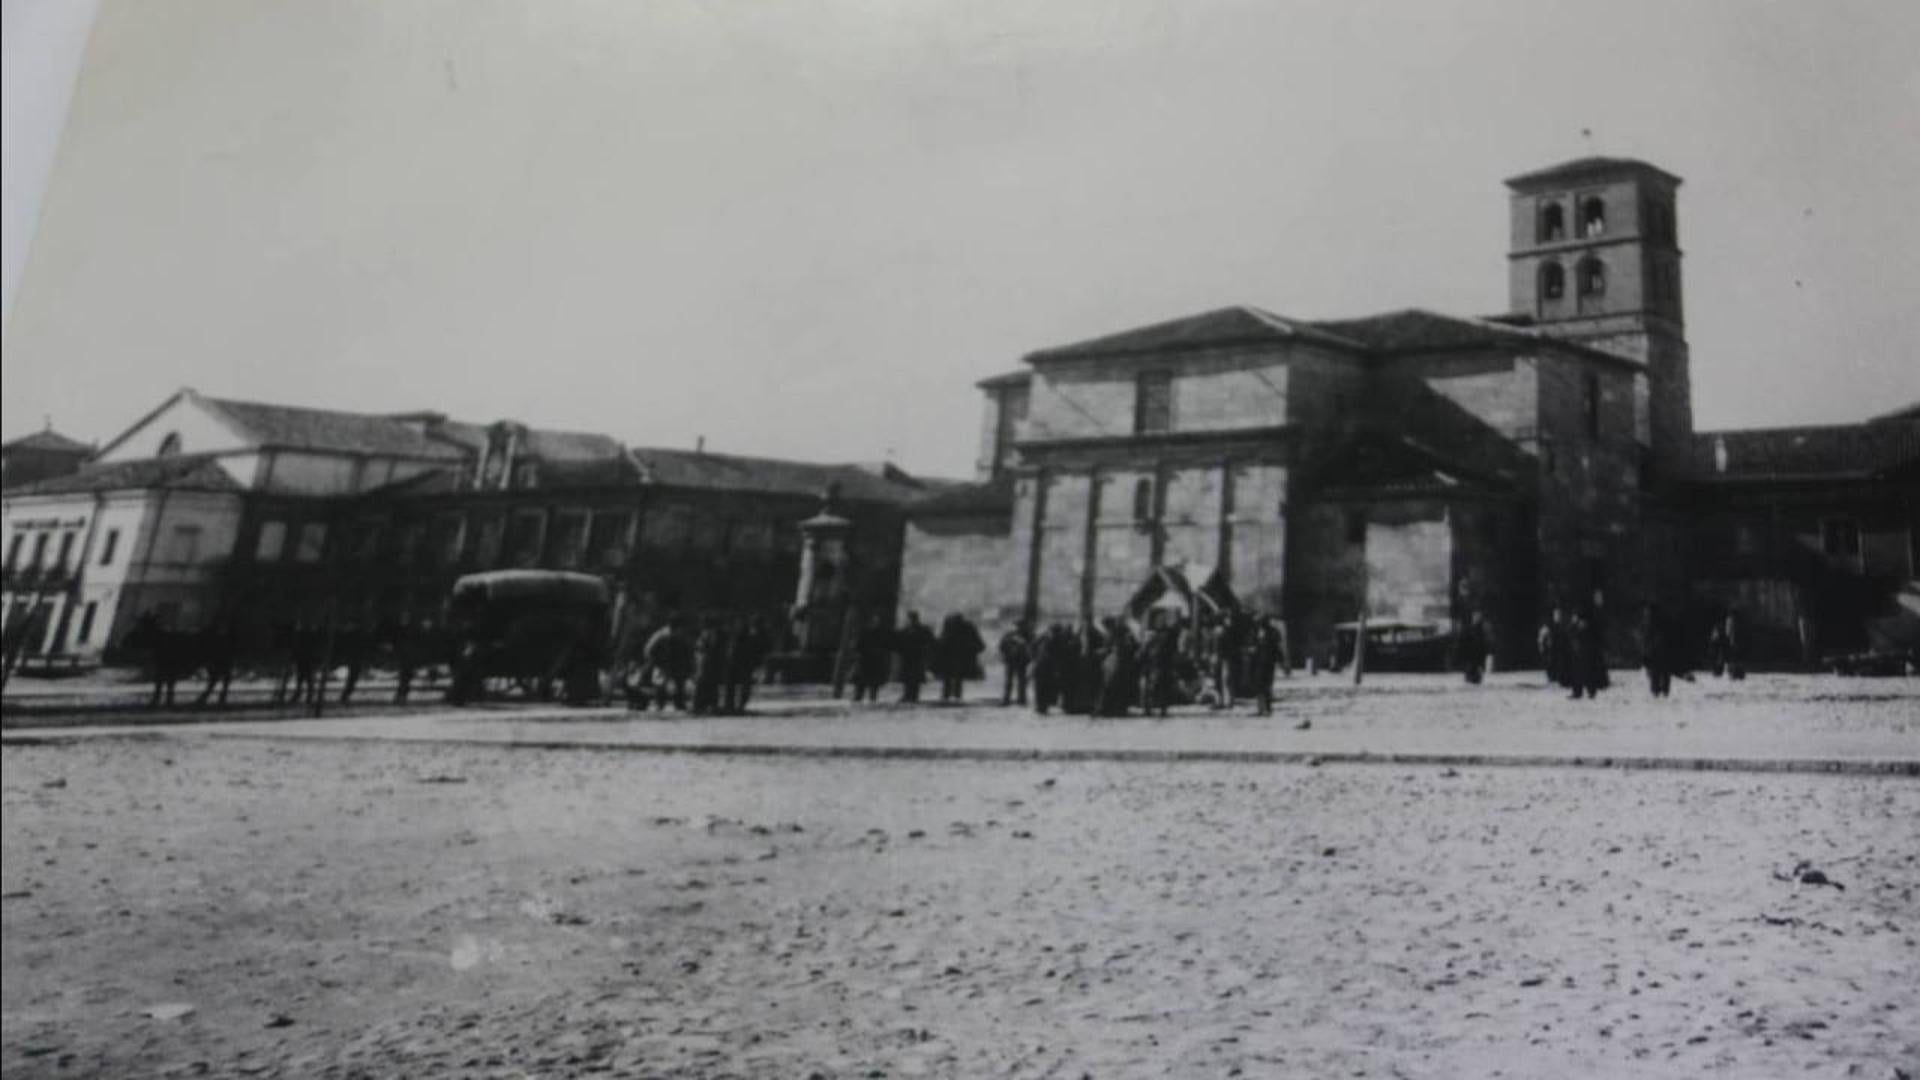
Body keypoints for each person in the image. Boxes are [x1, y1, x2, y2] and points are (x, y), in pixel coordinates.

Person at [644, 617, 694, 712]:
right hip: (662, 662)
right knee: (660, 684)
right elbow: (649, 649)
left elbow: (687, 650)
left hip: (675, 662)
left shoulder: (681, 636)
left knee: (679, 683)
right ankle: (660, 703)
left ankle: (679, 704)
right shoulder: (661, 635)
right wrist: (654, 661)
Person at [1245, 617, 1283, 716]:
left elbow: (1277, 647)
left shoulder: (1272, 632)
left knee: (1265, 686)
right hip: (1258, 662)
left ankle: (1266, 709)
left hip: (1267, 662)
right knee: (1260, 686)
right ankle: (1262, 708)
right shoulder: (1256, 632)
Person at [894, 611, 934, 704]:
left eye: (912, 618)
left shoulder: (922, 630)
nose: (911, 620)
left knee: (915, 677)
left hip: (917, 656)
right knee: (907, 676)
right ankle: (907, 694)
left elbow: (929, 642)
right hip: (907, 656)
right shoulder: (906, 630)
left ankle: (913, 695)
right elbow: (899, 642)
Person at [851, 614, 893, 703]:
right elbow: (858, 646)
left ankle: (872, 699)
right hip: (865, 661)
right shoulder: (864, 632)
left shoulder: (880, 633)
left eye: (877, 622)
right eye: (874, 622)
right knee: (861, 683)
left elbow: (885, 646)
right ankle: (858, 698)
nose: (875, 623)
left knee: (874, 683)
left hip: (875, 661)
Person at [1031, 623, 1065, 715]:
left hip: (1047, 667)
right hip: (1043, 667)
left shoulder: (1057, 640)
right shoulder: (1045, 639)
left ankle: (1043, 706)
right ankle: (1041, 706)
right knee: (1041, 687)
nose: (1054, 633)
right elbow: (1033, 647)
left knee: (1045, 688)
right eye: (1054, 631)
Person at [998, 620, 1033, 707]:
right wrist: (1006, 654)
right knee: (1010, 681)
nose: (1019, 628)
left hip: (1021, 661)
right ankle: (1007, 699)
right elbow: (1002, 646)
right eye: (1018, 626)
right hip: (1011, 661)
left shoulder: (1028, 636)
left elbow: (1032, 648)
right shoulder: (1009, 635)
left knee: (1021, 681)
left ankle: (1021, 699)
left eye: (1021, 626)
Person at [1454, 611, 1491, 685]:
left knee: (1475, 673)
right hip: (1472, 657)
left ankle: (1474, 679)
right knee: (1471, 673)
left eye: (1477, 617)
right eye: (1475, 617)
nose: (1476, 618)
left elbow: (1484, 644)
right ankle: (1472, 679)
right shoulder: (1471, 630)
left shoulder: (1480, 630)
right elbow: (1465, 643)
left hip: (1476, 657)